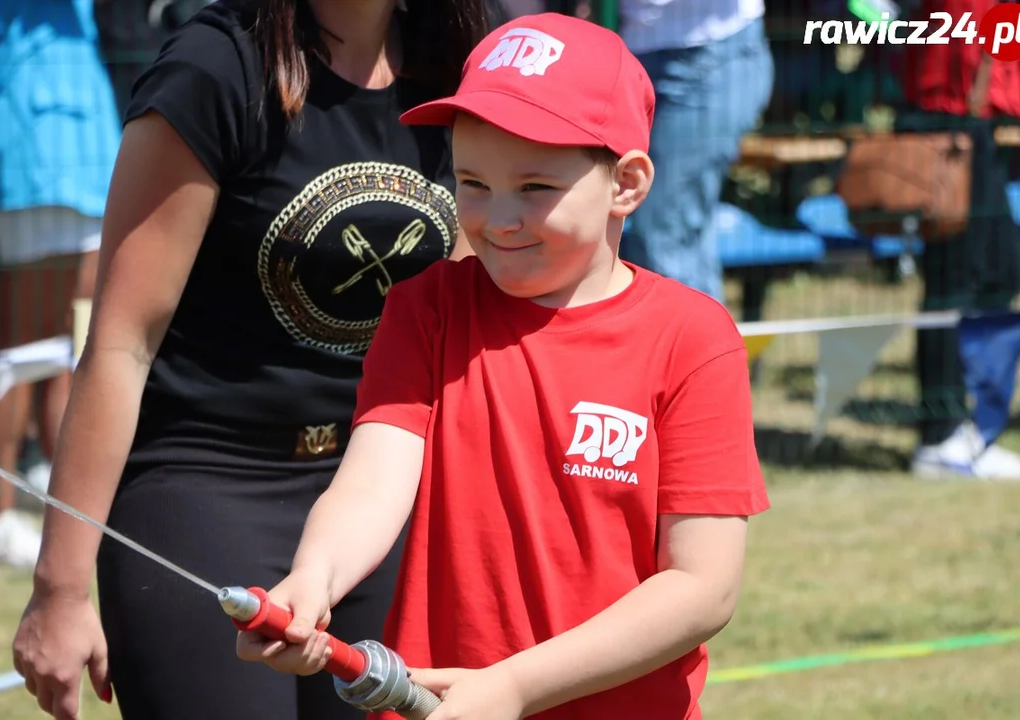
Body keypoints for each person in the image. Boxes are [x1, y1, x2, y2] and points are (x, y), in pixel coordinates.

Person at [236, 13, 769, 720]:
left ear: (627, 183)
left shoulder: (693, 338)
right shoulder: (425, 311)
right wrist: (315, 576)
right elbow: (371, 483)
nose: (496, 218)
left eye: (536, 188)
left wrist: (518, 685)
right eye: (473, 182)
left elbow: (704, 586)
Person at [11, 0, 491, 718]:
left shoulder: (460, 63)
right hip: (205, 479)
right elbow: (120, 343)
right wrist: (60, 588)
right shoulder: (214, 67)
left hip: (380, 483)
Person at [0, 0, 118, 567]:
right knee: (23, 348)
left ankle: (71, 509)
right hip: (34, 135)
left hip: (81, 136)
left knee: (64, 347)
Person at [899, 0, 1020, 479]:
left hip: (977, 108)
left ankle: (963, 423)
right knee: (954, 281)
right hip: (948, 110)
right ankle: (939, 436)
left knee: (1001, 270)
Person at [616, 0, 774, 303]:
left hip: (712, 50)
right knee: (668, 229)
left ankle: (697, 348)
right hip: (628, 51)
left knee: (665, 227)